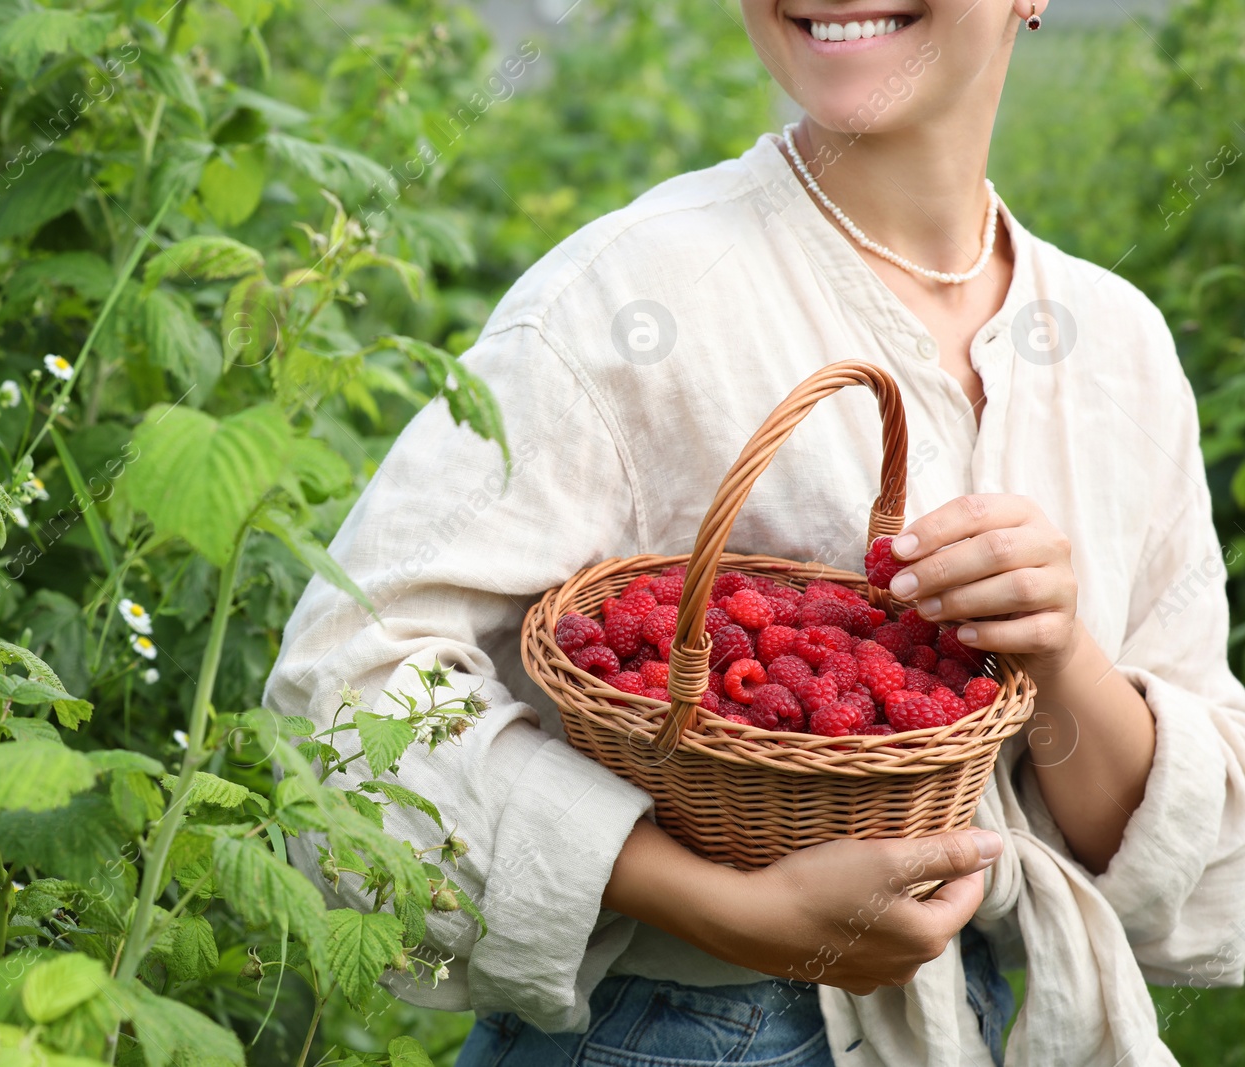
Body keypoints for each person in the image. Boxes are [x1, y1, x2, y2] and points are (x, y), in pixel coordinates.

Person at [263, 0, 1245, 1062]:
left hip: (969, 1014)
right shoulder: (631, 293)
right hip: (663, 1029)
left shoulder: (1117, 347)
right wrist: (716, 903)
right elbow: (344, 689)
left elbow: (1188, 856)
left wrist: (1061, 659)